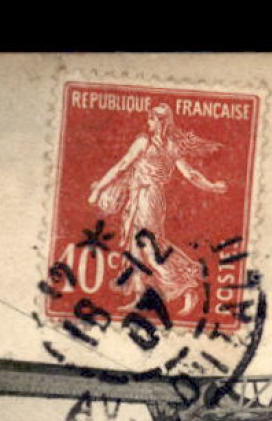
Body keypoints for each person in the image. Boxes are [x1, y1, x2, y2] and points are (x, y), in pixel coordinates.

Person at [86, 103, 228, 315]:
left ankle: (188, 285)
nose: (148, 123)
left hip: (147, 199)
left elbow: (122, 165)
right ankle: (139, 296)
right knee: (136, 248)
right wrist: (213, 186)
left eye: (152, 119)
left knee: (151, 249)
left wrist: (98, 190)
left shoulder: (146, 142)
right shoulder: (170, 145)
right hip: (144, 198)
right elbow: (191, 175)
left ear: (161, 122)